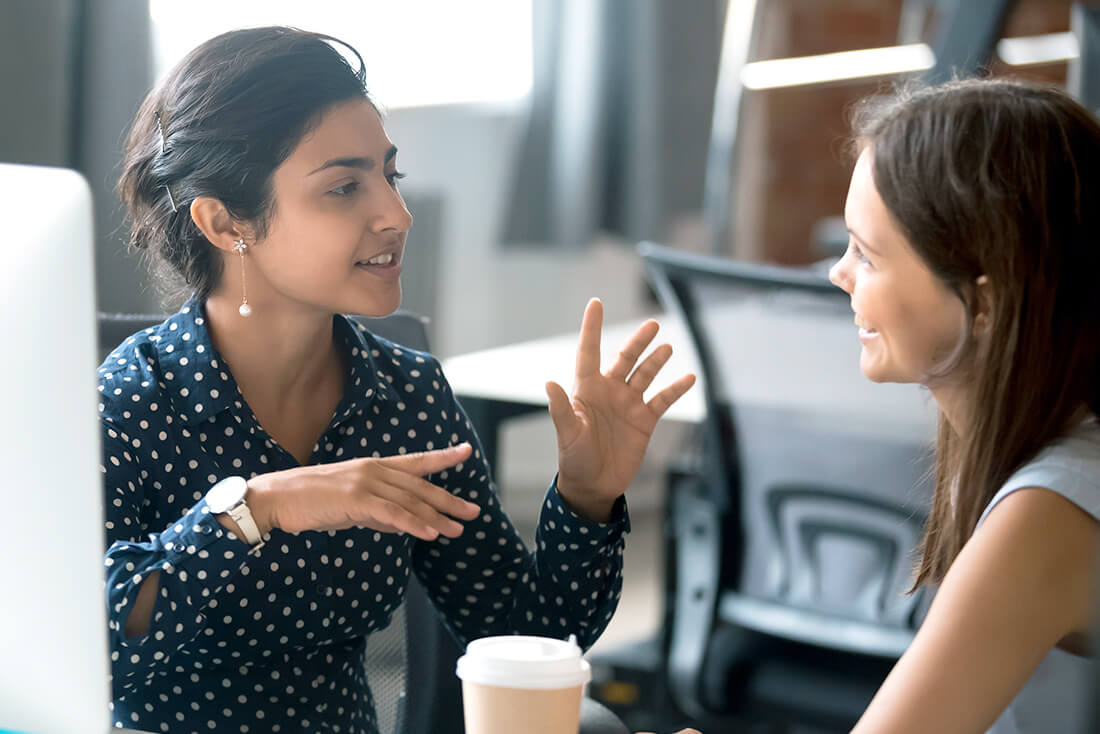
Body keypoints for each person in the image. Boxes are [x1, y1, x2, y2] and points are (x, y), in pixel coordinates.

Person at [101, 26, 695, 734]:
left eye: (391, 175)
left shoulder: (406, 396)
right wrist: (257, 508)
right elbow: (92, 646)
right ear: (225, 221)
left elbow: (523, 637)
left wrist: (588, 498)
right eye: (345, 187)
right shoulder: (132, 401)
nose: (396, 214)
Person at [672, 78, 1100, 734]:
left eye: (867, 256)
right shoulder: (1035, 444)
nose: (838, 274)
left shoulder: (1047, 511)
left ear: (984, 303)